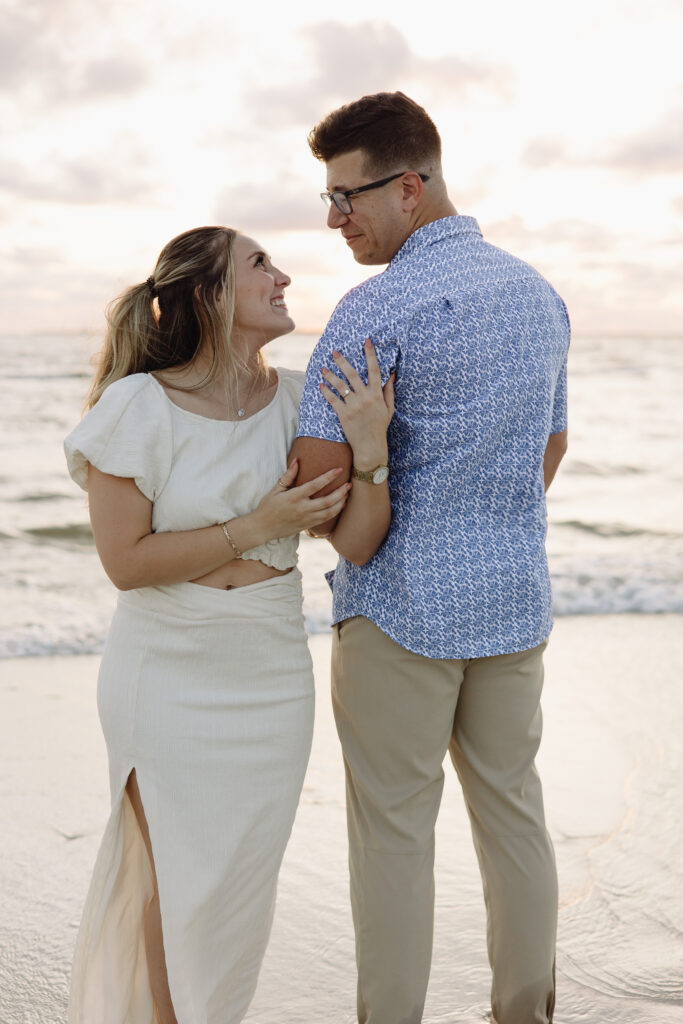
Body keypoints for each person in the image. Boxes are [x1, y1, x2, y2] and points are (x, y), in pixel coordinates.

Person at [63, 225, 394, 1024]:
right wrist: (256, 523)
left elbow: (352, 541)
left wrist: (371, 449)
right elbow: (126, 563)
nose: (282, 276)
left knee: (237, 889)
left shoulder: (296, 400)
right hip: (165, 670)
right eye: (259, 265)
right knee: (174, 878)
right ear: (210, 294)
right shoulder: (135, 406)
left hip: (269, 673)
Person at [290, 92, 570, 1024]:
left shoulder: (374, 310)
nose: (333, 220)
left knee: (394, 839)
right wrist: (482, 515)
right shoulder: (539, 296)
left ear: (409, 188)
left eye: (346, 197)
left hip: (400, 608)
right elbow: (549, 451)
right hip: (511, 598)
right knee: (514, 818)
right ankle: (526, 1013)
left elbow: (326, 495)